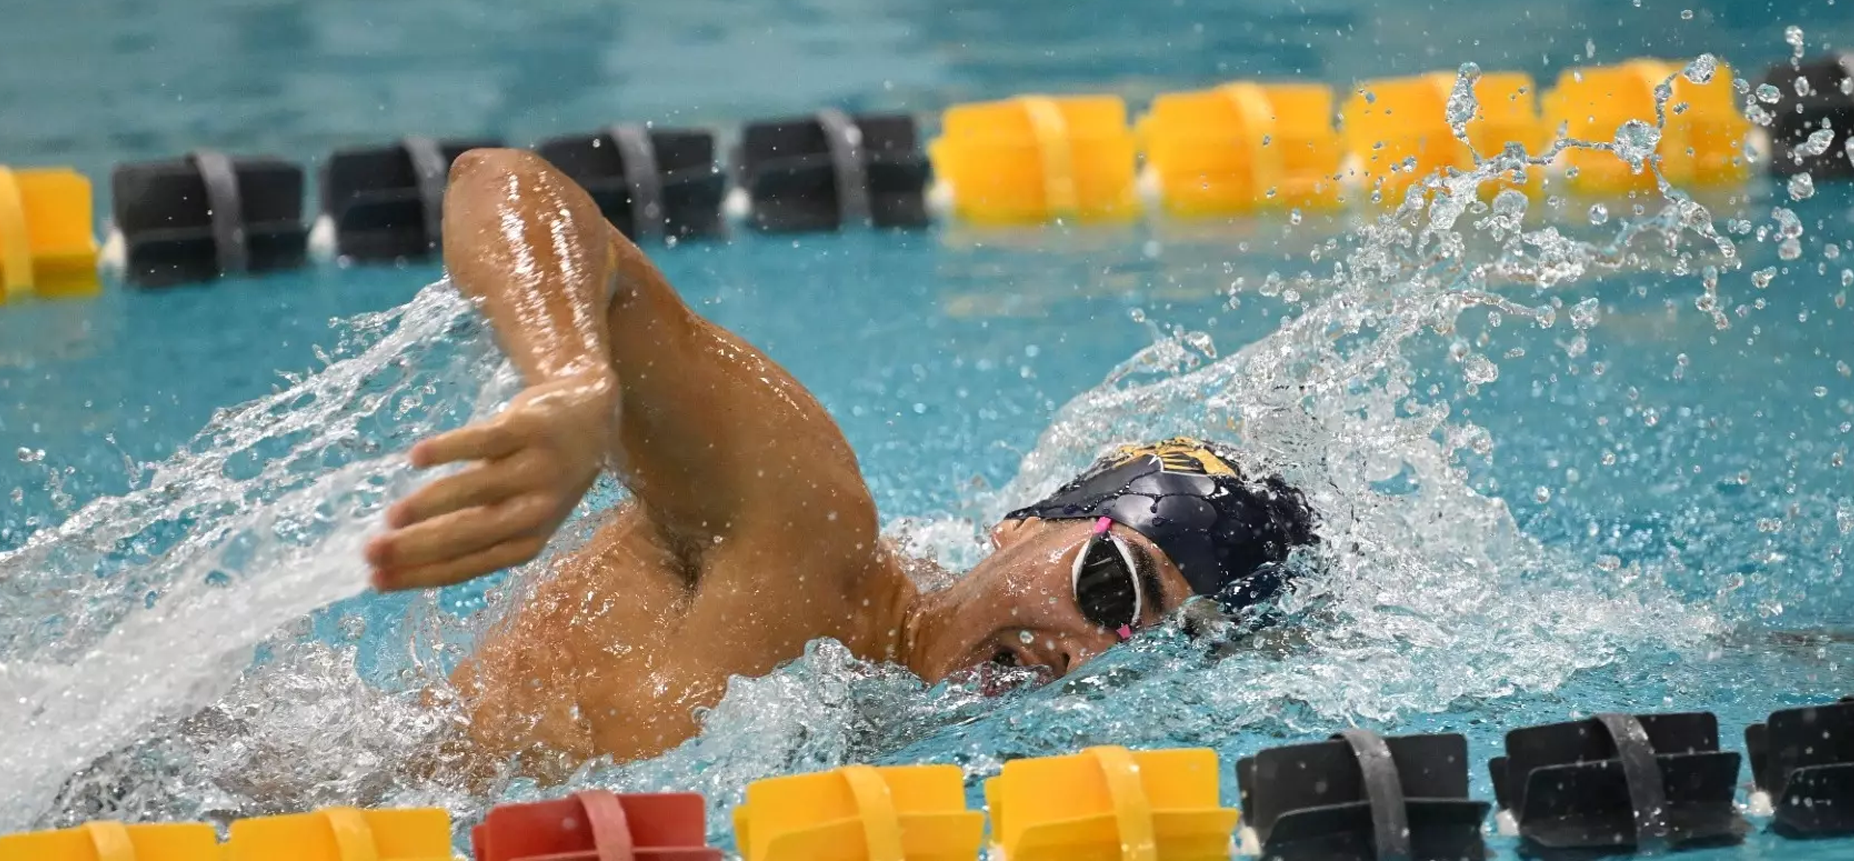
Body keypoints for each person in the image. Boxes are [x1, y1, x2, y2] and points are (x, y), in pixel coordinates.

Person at [365, 149, 1313, 779]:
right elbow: (507, 185)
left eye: (1164, 650)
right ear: (1026, 522)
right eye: (1113, 589)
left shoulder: (900, 739)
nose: (1095, 657)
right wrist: (569, 377)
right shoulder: (802, 525)